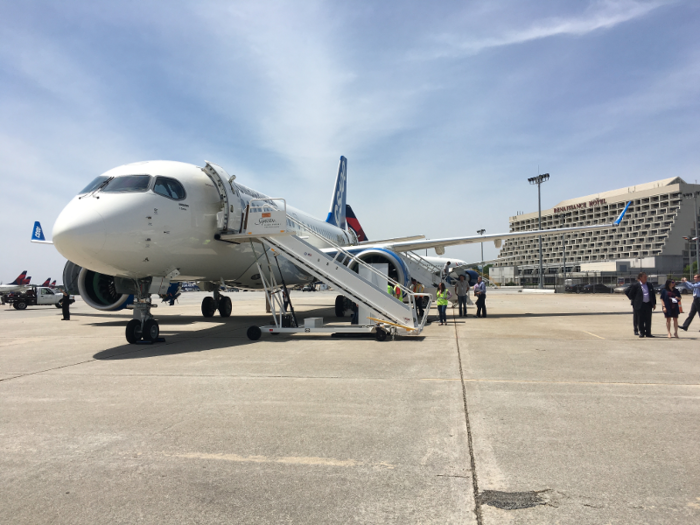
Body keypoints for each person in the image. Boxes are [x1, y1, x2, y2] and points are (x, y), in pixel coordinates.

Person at [625, 272, 656, 338]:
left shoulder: (649, 285)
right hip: (640, 304)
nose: (646, 278)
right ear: (640, 278)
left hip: (648, 304)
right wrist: (635, 300)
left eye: (646, 277)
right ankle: (641, 332)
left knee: (648, 319)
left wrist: (654, 304)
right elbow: (630, 294)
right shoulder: (636, 285)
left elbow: (653, 295)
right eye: (644, 277)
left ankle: (648, 333)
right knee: (640, 319)